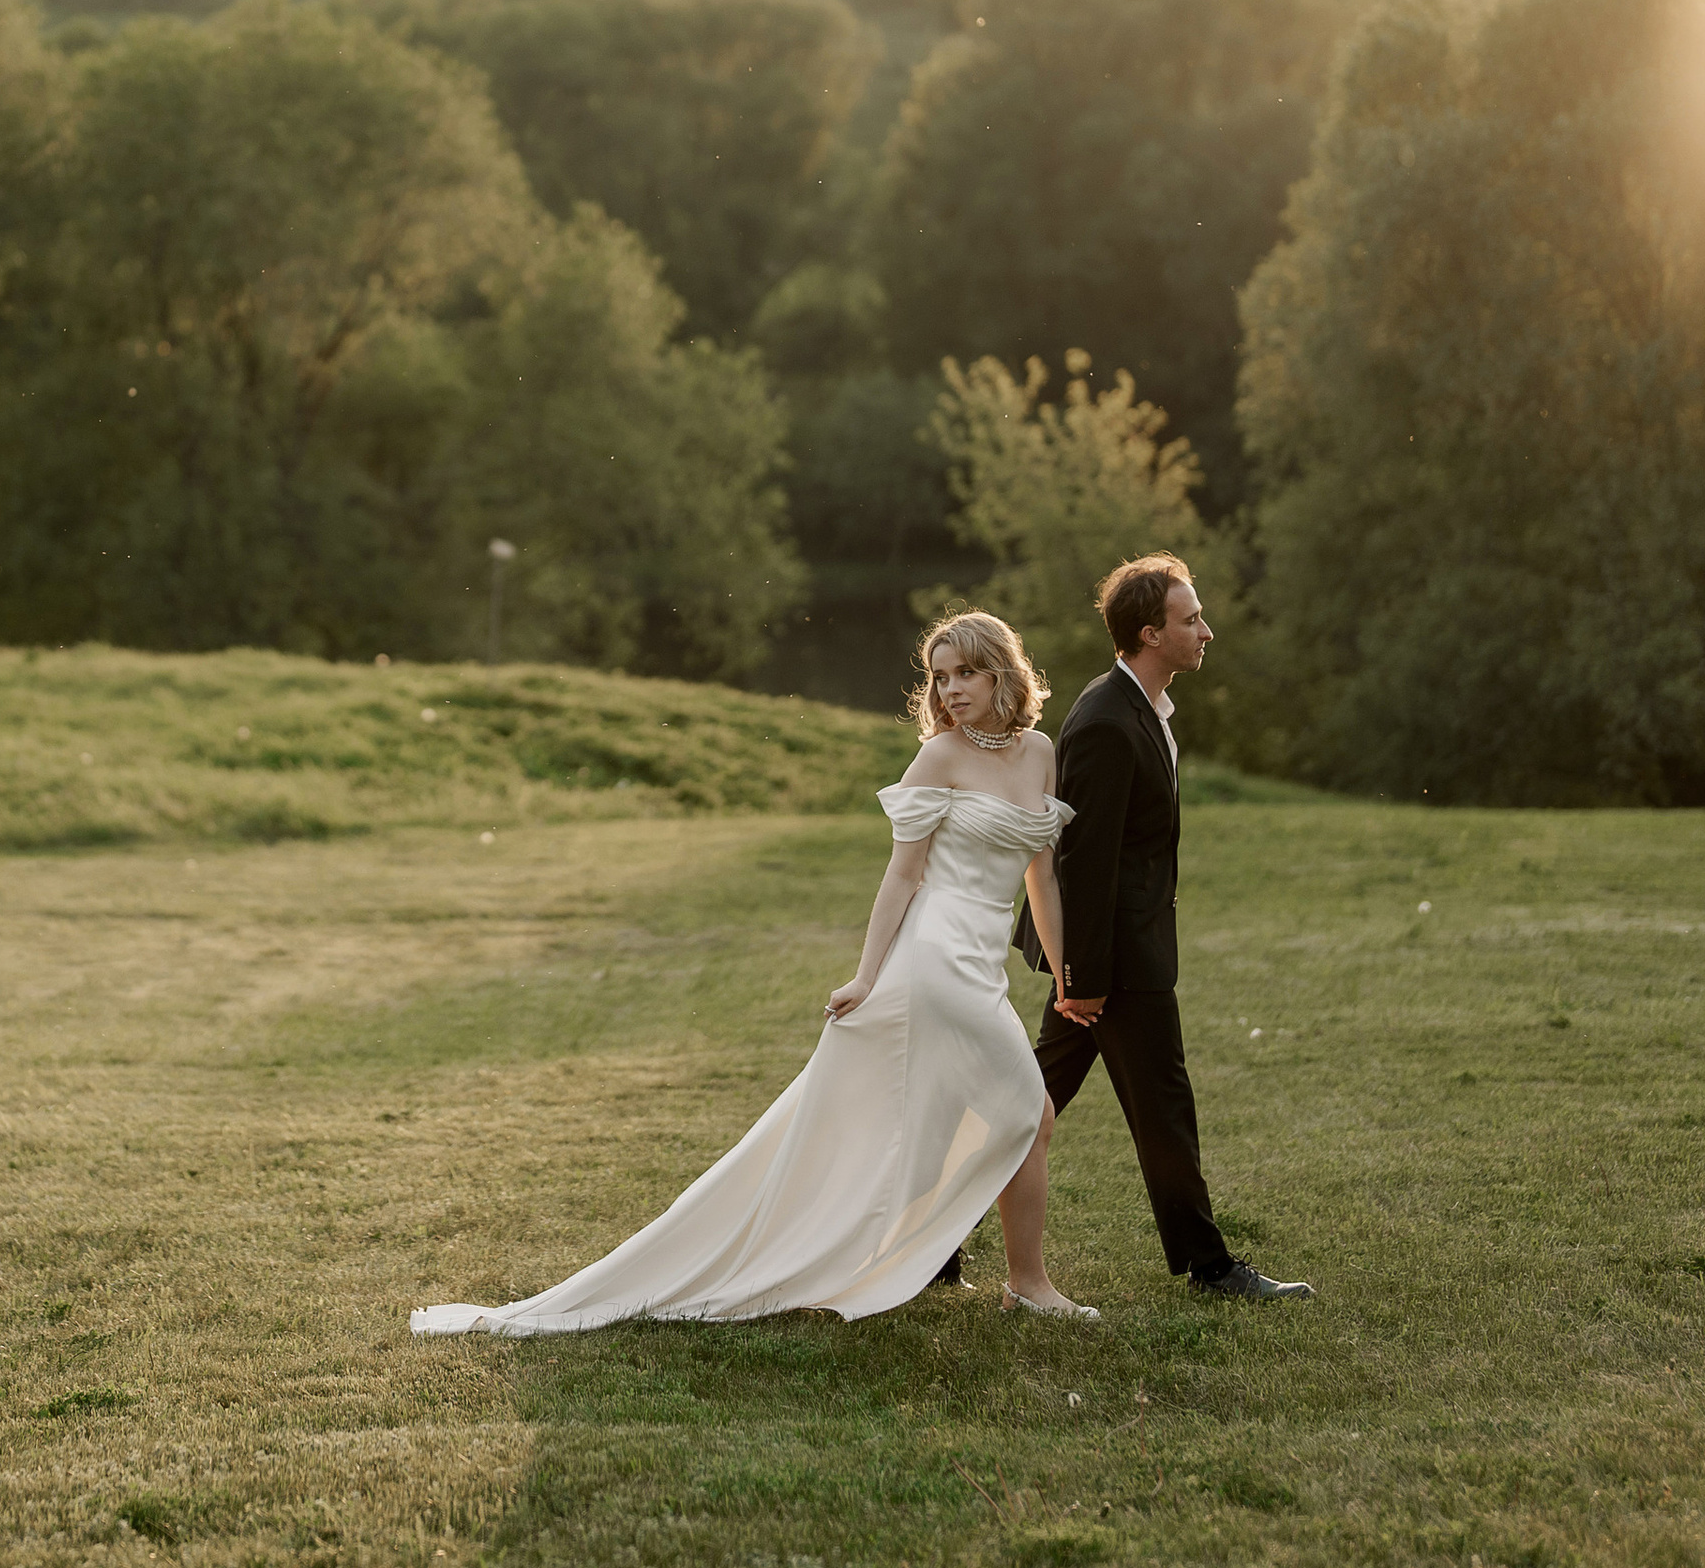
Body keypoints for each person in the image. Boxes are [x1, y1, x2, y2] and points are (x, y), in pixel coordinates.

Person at [411, 610, 1098, 1337]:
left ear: (1001, 672)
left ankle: (944, 1263)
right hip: (932, 959)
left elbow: (1041, 877)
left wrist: (1064, 973)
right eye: (940, 676)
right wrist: (866, 978)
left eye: (966, 673)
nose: (951, 689)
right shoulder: (938, 759)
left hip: (982, 960)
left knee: (987, 1117)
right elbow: (902, 876)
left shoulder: (1039, 753)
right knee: (1029, 1112)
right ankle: (1026, 1283)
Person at [1017, 554, 1313, 1301]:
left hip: (1112, 954)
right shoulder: (1108, 722)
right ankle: (1210, 1268)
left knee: (1024, 1104)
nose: (1206, 632)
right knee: (1162, 1108)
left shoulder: (1144, 707)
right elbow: (1082, 862)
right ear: (1150, 634)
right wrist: (1081, 978)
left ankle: (931, 1242)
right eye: (1192, 620)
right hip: (1113, 962)